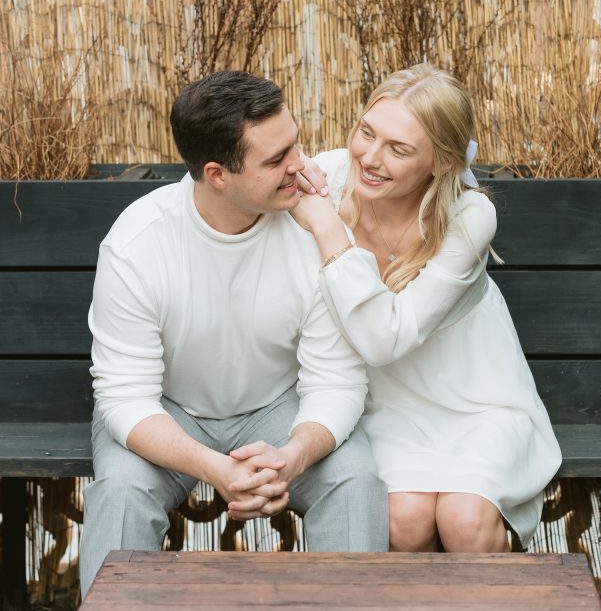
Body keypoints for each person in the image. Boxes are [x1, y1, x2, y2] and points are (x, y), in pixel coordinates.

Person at [79, 70, 388, 596]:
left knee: (355, 479)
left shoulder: (315, 229)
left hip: (279, 409)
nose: (301, 167)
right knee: (122, 490)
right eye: (276, 160)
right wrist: (216, 469)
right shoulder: (137, 244)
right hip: (169, 411)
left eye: (295, 144)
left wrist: (293, 456)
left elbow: (336, 382)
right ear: (217, 175)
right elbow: (125, 397)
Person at [289, 64, 562, 552]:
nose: (369, 158)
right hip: (387, 406)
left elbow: (385, 340)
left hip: (480, 404)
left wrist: (329, 230)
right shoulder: (327, 178)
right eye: (366, 132)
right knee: (404, 521)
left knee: (465, 519)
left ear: (441, 163)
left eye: (398, 149)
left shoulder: (468, 216)